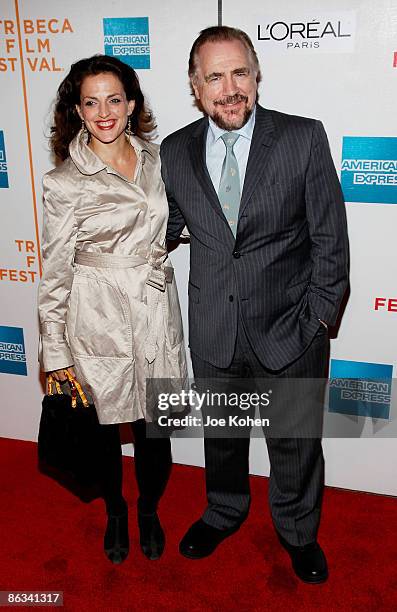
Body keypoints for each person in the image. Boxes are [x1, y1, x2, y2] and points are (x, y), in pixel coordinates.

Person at [160, 26, 349, 583]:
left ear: (256, 74)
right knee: (223, 439)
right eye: (214, 76)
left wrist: (317, 319)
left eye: (239, 72)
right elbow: (167, 227)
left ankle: (297, 531)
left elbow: (330, 242)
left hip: (290, 329)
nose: (229, 88)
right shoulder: (174, 151)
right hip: (216, 328)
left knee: (295, 444)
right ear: (196, 86)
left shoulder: (302, 137)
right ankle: (224, 511)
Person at [38, 54, 187, 564]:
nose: (104, 112)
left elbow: (174, 221)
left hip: (155, 307)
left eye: (114, 99)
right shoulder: (63, 182)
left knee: (154, 430)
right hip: (97, 318)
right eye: (91, 102)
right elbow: (55, 272)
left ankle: (149, 509)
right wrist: (55, 353)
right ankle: (116, 511)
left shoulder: (161, 160)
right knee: (103, 431)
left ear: (132, 104)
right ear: (77, 111)